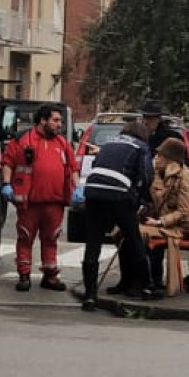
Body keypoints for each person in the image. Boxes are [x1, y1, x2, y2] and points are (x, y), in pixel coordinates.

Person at [0, 104, 79, 292]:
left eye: (60, 121)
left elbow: (73, 167)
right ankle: (24, 274)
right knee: (25, 237)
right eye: (56, 120)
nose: (59, 125)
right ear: (43, 120)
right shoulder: (23, 140)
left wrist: (78, 187)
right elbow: (7, 163)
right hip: (29, 202)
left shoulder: (62, 143)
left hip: (55, 202)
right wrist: (6, 184)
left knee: (51, 238)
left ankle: (50, 276)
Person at [80, 118, 153, 309]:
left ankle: (90, 295)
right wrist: (142, 201)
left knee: (93, 244)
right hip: (119, 193)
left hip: (93, 190)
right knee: (133, 238)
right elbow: (145, 175)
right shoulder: (141, 147)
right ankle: (147, 286)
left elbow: (96, 163)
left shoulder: (109, 142)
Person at [144, 137, 189, 295]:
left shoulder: (183, 178)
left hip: (177, 226)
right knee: (126, 231)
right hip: (162, 221)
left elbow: (183, 211)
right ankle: (139, 279)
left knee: (142, 235)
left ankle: (153, 280)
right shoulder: (159, 174)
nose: (156, 159)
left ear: (170, 159)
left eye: (160, 156)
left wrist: (160, 222)